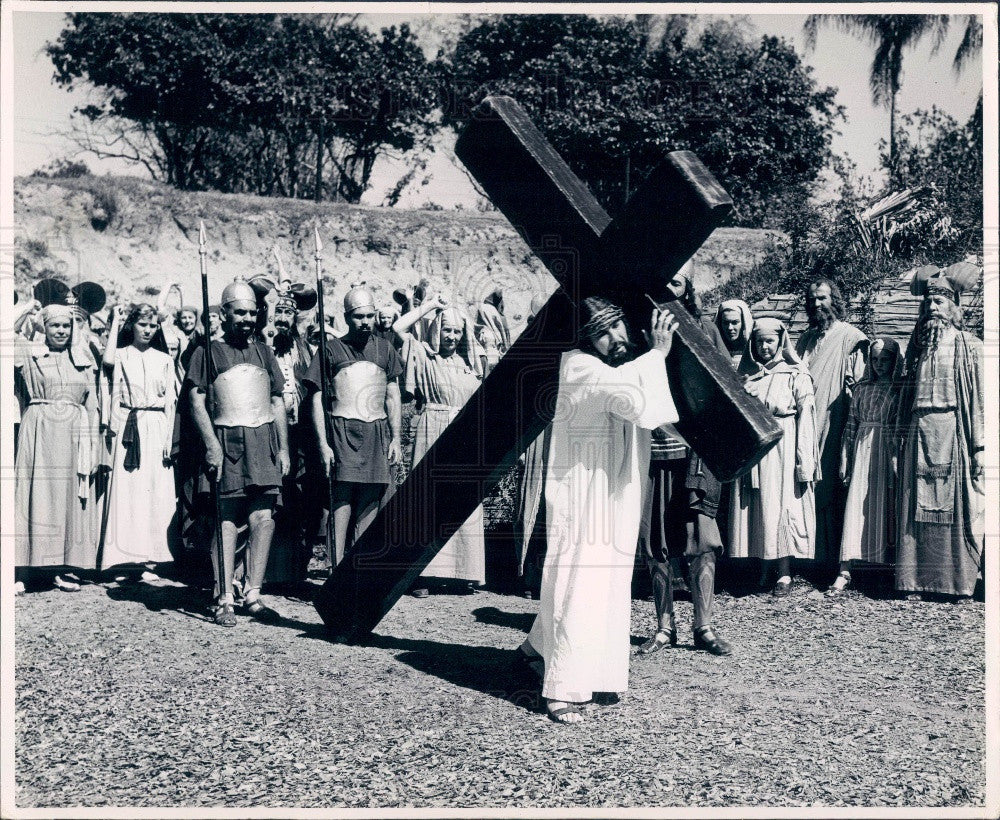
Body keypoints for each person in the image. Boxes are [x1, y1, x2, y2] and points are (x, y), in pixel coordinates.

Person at [520, 296, 679, 724]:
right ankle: (561, 689)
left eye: (617, 326)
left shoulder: (608, 364)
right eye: (601, 333)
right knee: (581, 578)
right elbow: (630, 399)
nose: (614, 338)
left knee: (602, 578)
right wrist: (658, 356)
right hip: (584, 494)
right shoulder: (577, 365)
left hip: (610, 490)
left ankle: (536, 648)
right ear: (585, 339)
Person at [637, 269, 732, 657]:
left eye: (677, 282)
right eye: (665, 280)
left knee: (703, 543)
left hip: (695, 455)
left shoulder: (705, 330)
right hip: (651, 449)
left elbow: (729, 385)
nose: (668, 287)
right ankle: (663, 626)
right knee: (655, 543)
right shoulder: (637, 332)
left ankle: (703, 626)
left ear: (689, 289)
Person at [185, 280, 290, 627]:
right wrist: (212, 444)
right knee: (227, 520)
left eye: (251, 312)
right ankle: (223, 596)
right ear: (225, 312)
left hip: (263, 441)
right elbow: (196, 399)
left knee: (264, 517)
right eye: (239, 312)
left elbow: (276, 400)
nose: (246, 318)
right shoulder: (207, 352)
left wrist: (284, 446)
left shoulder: (264, 352)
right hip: (228, 441)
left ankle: (253, 595)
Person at [895, 267, 984, 602]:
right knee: (913, 510)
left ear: (953, 307)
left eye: (940, 302)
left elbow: (980, 398)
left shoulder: (968, 346)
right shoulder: (916, 348)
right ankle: (914, 581)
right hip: (918, 430)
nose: (933, 307)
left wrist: (981, 446)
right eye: (929, 301)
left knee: (954, 510)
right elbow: (904, 394)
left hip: (953, 430)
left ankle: (957, 584)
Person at [393, 293, 487, 596]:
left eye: (457, 331)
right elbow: (398, 330)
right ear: (437, 330)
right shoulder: (425, 356)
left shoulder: (470, 366)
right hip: (433, 426)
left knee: (463, 498)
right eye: (447, 329)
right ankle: (421, 573)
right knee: (428, 498)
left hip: (464, 432)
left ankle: (462, 572)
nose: (452, 336)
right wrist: (431, 305)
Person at [306, 286, 403, 567]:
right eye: (359, 317)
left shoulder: (385, 348)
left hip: (377, 433)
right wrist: (323, 444)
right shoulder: (331, 349)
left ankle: (359, 570)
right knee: (341, 502)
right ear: (347, 317)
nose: (366, 322)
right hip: (342, 431)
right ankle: (336, 569)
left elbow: (393, 395)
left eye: (370, 316)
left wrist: (396, 438)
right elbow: (316, 397)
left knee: (371, 503)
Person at [14, 303, 101, 592]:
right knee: (36, 496)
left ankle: (58, 569)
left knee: (66, 500)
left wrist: (93, 445)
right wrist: (28, 307)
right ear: (44, 328)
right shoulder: (30, 352)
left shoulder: (83, 357)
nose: (61, 331)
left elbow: (92, 403)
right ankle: (25, 570)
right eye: (55, 326)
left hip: (74, 434)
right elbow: (6, 332)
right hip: (40, 431)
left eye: (66, 325)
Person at [729, 318, 818, 595]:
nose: (765, 347)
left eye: (770, 341)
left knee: (781, 506)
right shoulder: (746, 377)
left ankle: (785, 572)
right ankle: (764, 566)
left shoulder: (795, 374)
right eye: (759, 341)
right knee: (760, 506)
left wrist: (805, 461)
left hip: (785, 445)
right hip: (756, 447)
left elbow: (807, 419)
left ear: (781, 343)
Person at [98, 304, 178, 575]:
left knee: (155, 491)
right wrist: (116, 322)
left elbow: (171, 403)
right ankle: (124, 556)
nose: (148, 330)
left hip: (157, 426)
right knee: (129, 491)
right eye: (143, 324)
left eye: (153, 325)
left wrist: (169, 438)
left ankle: (152, 557)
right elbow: (107, 362)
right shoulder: (122, 354)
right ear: (132, 326)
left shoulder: (164, 359)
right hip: (129, 427)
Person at [794, 279, 868, 571]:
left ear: (835, 299)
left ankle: (835, 562)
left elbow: (860, 385)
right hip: (806, 422)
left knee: (833, 485)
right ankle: (811, 556)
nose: (817, 304)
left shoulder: (851, 337)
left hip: (836, 422)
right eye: (812, 299)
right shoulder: (805, 339)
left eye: (822, 298)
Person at [829, 337, 902, 594]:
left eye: (885, 360)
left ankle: (882, 571)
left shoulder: (898, 388)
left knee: (883, 506)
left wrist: (896, 457)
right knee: (856, 508)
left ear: (894, 362)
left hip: (887, 450)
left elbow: (900, 425)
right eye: (875, 359)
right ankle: (845, 570)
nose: (879, 364)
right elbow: (850, 424)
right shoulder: (861, 388)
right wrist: (845, 458)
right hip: (862, 448)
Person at [263, 279, 323, 585]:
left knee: (303, 500)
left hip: (302, 436)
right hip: (268, 434)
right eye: (278, 313)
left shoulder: (304, 350)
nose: (284, 318)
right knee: (272, 500)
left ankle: (296, 568)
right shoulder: (262, 348)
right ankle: (265, 570)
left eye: (289, 312)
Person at [514, 292, 552, 599]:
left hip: (562, 431)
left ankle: (550, 577)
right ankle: (530, 575)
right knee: (533, 503)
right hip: (536, 434)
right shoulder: (529, 349)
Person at [475, 287, 511, 374]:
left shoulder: (482, 307)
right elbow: (503, 329)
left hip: (482, 338)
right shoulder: (495, 311)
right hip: (492, 341)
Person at [714, 299, 753, 369]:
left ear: (743, 323)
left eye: (735, 322)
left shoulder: (753, 346)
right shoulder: (715, 346)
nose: (730, 328)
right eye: (725, 323)